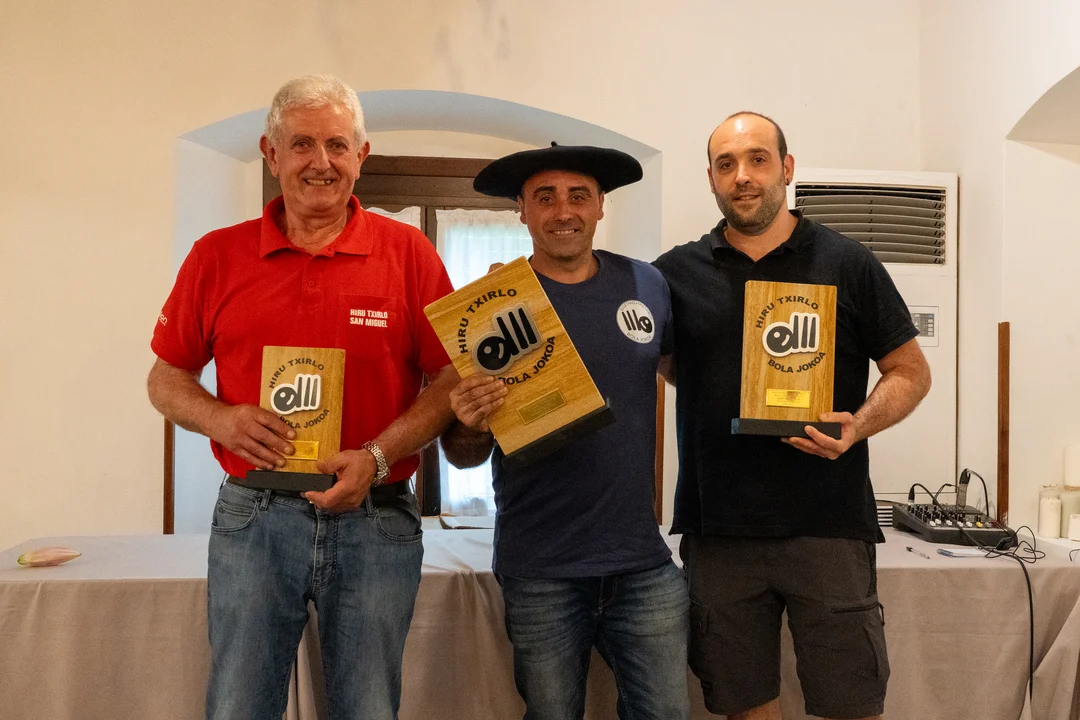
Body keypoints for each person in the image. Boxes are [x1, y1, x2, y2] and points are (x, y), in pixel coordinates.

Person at [147, 74, 457, 720]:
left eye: (338, 145)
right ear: (271, 153)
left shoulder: (409, 254)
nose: (322, 162)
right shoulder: (216, 256)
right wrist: (220, 419)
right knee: (238, 707)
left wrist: (378, 455)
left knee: (369, 710)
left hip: (376, 517)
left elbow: (451, 380)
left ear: (361, 157)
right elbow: (165, 379)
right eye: (302, 144)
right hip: (254, 518)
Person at [653, 112, 932, 720]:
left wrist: (857, 425)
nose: (742, 176)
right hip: (718, 528)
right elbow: (670, 365)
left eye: (757, 159)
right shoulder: (673, 274)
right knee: (743, 703)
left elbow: (911, 372)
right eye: (726, 164)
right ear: (710, 178)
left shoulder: (848, 262)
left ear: (787, 167)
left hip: (828, 524)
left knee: (850, 703)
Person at [442, 144, 690, 720]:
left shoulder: (647, 284)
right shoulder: (491, 305)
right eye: (545, 198)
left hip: (643, 563)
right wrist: (471, 419)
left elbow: (685, 374)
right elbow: (462, 455)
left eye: (578, 196)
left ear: (601, 205)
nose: (563, 211)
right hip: (540, 570)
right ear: (522, 211)